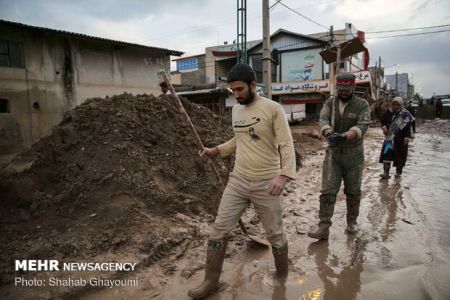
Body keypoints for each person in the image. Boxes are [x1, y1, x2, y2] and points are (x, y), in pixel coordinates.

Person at [187, 63, 296, 299]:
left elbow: (286, 144)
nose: (236, 95)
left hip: (267, 181)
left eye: (239, 89)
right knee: (218, 230)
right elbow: (240, 138)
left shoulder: (273, 109)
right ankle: (210, 281)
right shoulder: (236, 111)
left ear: (253, 85)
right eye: (232, 91)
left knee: (275, 234)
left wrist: (283, 175)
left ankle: (282, 279)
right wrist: (216, 150)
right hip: (238, 180)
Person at [308, 73, 371, 240]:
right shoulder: (330, 103)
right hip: (333, 156)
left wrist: (344, 136)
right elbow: (323, 119)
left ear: (353, 87)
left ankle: (351, 222)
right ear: (337, 88)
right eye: (340, 89)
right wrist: (329, 132)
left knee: (353, 191)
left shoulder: (362, 104)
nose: (343, 92)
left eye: (347, 89)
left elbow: (363, 125)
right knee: (327, 191)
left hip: (354, 157)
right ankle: (323, 227)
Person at [379, 97, 414, 179]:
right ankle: (386, 173)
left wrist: (406, 137)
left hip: (401, 139)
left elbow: (408, 127)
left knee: (400, 156)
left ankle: (398, 172)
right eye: (394, 104)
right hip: (389, 138)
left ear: (401, 104)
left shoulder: (405, 114)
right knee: (387, 154)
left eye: (397, 104)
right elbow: (383, 121)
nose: (395, 106)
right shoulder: (388, 112)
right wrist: (384, 128)